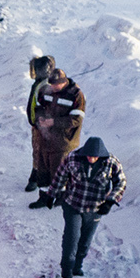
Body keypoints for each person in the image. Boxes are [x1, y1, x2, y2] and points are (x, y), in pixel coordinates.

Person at [49, 136, 125, 278]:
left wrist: (110, 201)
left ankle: (77, 266)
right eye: (89, 156)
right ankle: (67, 268)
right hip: (73, 204)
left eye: (95, 157)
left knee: (85, 241)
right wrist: (51, 194)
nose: (91, 159)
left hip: (95, 209)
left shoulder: (111, 162)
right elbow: (60, 176)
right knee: (72, 238)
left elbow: (121, 182)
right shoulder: (73, 158)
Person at [28, 67, 86, 208]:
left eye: (56, 85)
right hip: (45, 139)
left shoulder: (76, 95)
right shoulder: (46, 90)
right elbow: (39, 107)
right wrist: (41, 119)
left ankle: (61, 198)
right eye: (51, 84)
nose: (53, 88)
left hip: (63, 142)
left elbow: (76, 119)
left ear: (64, 82)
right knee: (43, 170)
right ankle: (43, 197)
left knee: (58, 172)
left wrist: (53, 122)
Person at [24, 55, 56, 193]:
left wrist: (40, 122)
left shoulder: (46, 86)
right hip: (37, 125)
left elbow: (47, 108)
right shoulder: (39, 83)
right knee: (38, 151)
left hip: (42, 127)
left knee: (39, 152)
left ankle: (36, 178)